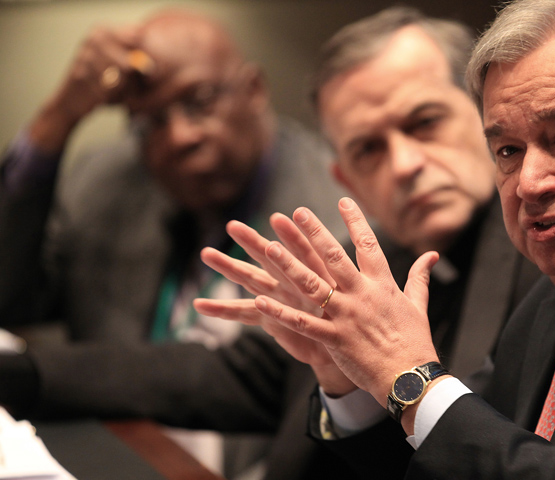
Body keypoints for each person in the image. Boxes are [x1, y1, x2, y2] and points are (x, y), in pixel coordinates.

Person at [203, 0, 555, 478]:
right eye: (508, 151)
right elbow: (459, 455)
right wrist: (351, 378)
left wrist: (413, 380)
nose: (528, 183)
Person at [193, 7, 540, 479]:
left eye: (424, 122)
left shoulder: (554, 251)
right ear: (346, 179)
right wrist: (345, 388)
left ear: (486, 116)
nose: (404, 164)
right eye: (368, 149)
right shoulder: (363, 268)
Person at [0, 9, 347, 476]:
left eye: (200, 101)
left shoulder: (334, 215)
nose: (179, 135)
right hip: (107, 453)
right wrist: (56, 119)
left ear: (254, 90)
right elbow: (10, 297)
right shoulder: (107, 181)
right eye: (152, 121)